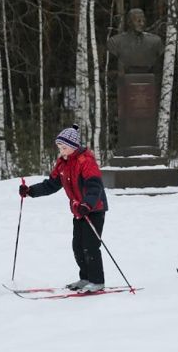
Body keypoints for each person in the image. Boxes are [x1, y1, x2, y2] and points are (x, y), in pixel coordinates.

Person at [18, 124, 108, 292]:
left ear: (74, 146)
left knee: (90, 246)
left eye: (64, 147)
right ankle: (85, 278)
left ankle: (97, 281)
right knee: (78, 246)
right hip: (78, 210)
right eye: (59, 147)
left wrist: (87, 204)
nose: (61, 151)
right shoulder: (62, 164)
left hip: (93, 209)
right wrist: (30, 191)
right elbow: (50, 185)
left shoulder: (86, 161)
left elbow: (94, 186)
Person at [107, 8, 163, 76]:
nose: (142, 24)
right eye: (138, 21)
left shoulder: (155, 41)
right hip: (125, 79)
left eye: (143, 21)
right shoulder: (115, 42)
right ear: (129, 22)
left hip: (148, 79)